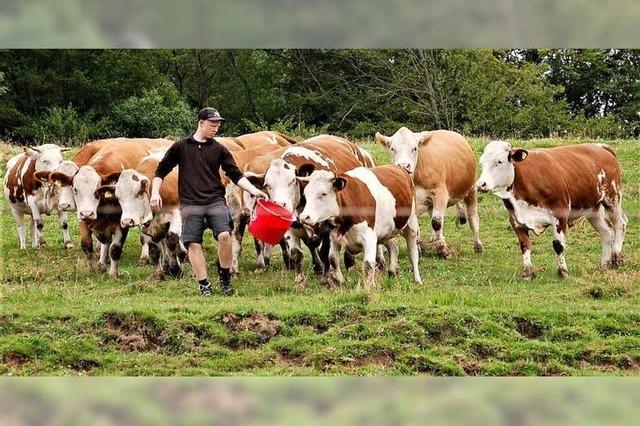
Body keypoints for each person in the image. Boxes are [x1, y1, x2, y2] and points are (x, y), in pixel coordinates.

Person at [151, 107, 267, 296]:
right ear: (201, 123)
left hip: (215, 200)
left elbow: (236, 174)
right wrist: (155, 192)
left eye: (218, 125)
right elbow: (160, 171)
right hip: (190, 203)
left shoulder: (219, 149)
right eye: (212, 124)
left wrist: (255, 191)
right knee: (193, 243)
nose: (216, 129)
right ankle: (204, 284)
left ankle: (225, 278)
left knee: (224, 236)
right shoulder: (181, 146)